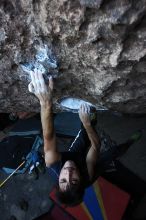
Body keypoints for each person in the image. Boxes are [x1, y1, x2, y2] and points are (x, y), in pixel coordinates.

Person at [28, 70, 142, 206]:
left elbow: (49, 136)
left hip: (74, 155)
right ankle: (129, 143)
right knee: (111, 153)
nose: (68, 173)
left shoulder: (52, 165)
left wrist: (45, 103)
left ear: (58, 180)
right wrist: (87, 124)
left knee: (85, 133)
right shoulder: (87, 175)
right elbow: (96, 146)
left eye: (63, 180)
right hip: (88, 165)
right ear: (81, 180)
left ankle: (91, 115)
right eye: (74, 181)